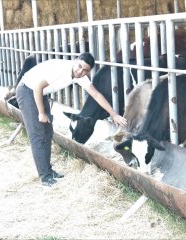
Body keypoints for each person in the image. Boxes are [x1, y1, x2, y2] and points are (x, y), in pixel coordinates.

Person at [16, 52, 127, 187]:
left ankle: (49, 171)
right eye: (79, 66)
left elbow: (96, 95)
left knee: (48, 133)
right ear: (75, 61)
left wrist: (113, 114)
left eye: (85, 70)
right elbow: (37, 88)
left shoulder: (80, 76)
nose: (80, 71)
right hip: (28, 90)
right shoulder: (61, 69)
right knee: (38, 135)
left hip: (41, 93)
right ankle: (45, 177)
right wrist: (41, 113)